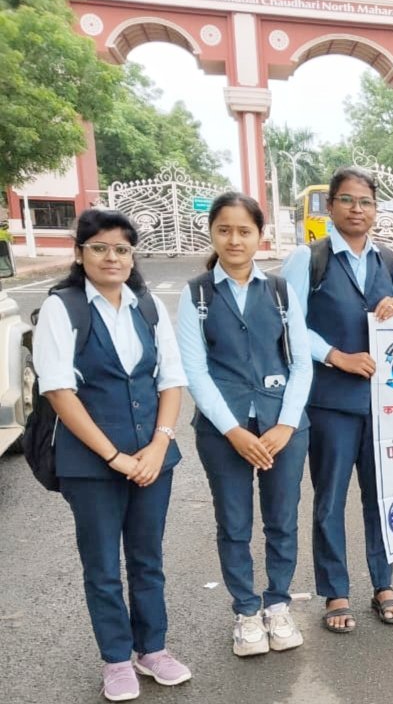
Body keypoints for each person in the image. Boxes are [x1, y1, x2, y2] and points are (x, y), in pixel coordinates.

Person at [33, 209, 191, 701]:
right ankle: (117, 659)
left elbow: (170, 378)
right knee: (102, 565)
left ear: (132, 255)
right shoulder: (64, 308)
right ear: (80, 254)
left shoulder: (147, 306)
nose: (112, 257)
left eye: (122, 248)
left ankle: (153, 650)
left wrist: (160, 443)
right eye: (99, 247)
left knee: (148, 560)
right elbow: (59, 391)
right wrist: (116, 457)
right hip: (91, 464)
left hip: (152, 456)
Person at [177, 192, 312, 656]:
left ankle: (277, 603)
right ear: (212, 233)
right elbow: (194, 370)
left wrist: (287, 426)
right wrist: (233, 430)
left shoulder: (278, 291)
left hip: (282, 426)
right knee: (233, 522)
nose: (234, 239)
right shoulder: (196, 294)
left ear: (260, 235)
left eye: (244, 230)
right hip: (222, 429)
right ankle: (246, 612)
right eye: (225, 230)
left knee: (282, 519)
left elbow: (301, 364)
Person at [281, 167, 393, 633]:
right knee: (330, 499)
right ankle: (336, 590)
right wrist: (335, 356)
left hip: (380, 402)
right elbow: (289, 324)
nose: (358, 210)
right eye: (348, 201)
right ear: (331, 206)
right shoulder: (307, 259)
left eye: (367, 202)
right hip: (331, 400)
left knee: (381, 496)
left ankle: (384, 583)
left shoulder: (388, 261)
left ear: (376, 211)